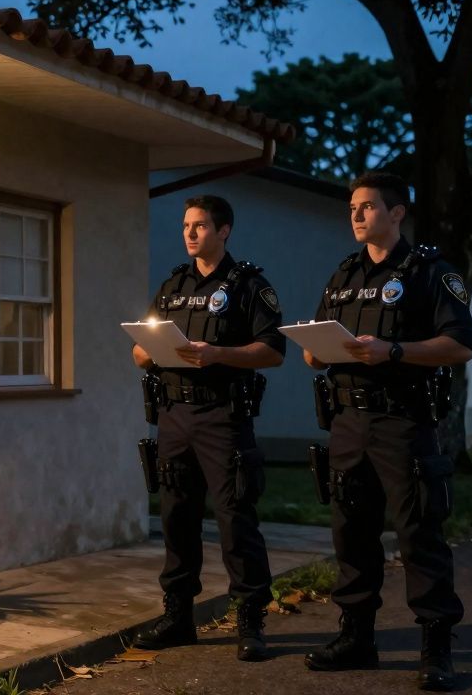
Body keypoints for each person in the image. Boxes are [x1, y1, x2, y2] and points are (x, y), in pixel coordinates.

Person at [302, 171, 472, 691]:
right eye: (352, 207)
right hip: (348, 422)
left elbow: (460, 345)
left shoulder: (428, 271)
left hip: (403, 423)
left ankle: (436, 646)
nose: (355, 215)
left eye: (367, 207)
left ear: (397, 213)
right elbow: (313, 348)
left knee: (419, 533)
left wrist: (394, 350)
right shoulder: (344, 274)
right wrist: (316, 347)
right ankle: (357, 638)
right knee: (351, 534)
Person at [131, 194, 285, 661]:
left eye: (199, 225)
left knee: (236, 519)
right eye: (185, 226)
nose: (190, 233)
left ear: (224, 231)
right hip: (174, 417)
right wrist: (146, 349)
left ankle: (250, 620)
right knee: (177, 518)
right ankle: (178, 618)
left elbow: (272, 351)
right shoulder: (173, 286)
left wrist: (219, 354)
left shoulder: (248, 285)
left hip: (222, 417)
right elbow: (141, 349)